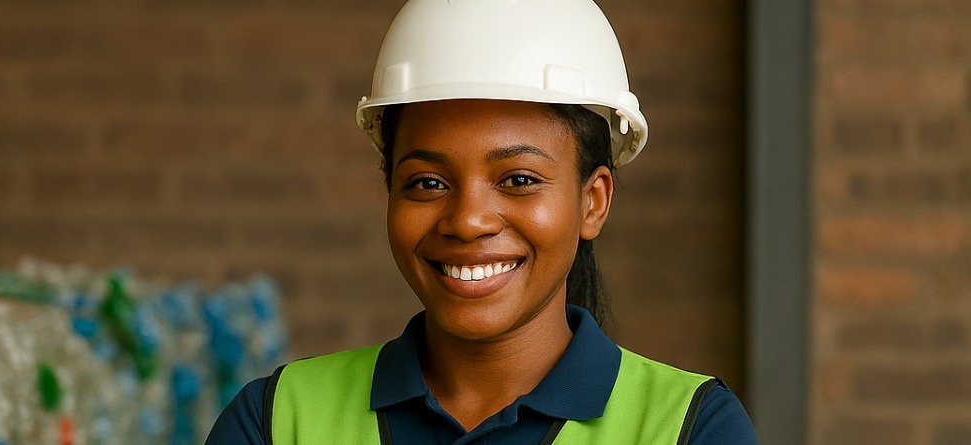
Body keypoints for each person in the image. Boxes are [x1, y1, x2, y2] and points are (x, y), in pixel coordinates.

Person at [205, 0, 759, 443]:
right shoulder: (277, 423)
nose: (467, 221)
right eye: (427, 183)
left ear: (593, 201)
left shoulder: (690, 428)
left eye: (518, 179)